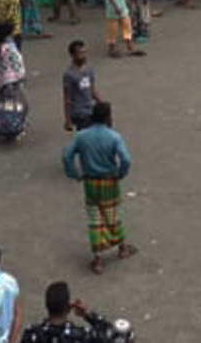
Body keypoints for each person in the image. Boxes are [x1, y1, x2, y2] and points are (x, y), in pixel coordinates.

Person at [61, 102, 136, 275]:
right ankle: (122, 247)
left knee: (95, 219)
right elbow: (125, 159)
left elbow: (67, 156)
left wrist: (74, 174)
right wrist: (120, 174)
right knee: (113, 215)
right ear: (108, 117)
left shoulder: (81, 136)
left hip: (91, 182)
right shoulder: (114, 137)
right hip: (109, 180)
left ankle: (97, 258)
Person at [18, 281, 111, 343]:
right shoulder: (81, 336)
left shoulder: (31, 333)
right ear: (68, 308)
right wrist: (88, 314)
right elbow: (108, 332)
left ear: (47, 306)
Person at [62, 42, 100, 133]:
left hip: (90, 109)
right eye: (80, 53)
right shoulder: (69, 75)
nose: (84, 56)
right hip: (79, 113)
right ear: (73, 55)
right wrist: (68, 119)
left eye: (85, 52)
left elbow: (92, 90)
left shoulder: (89, 70)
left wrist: (101, 103)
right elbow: (67, 98)